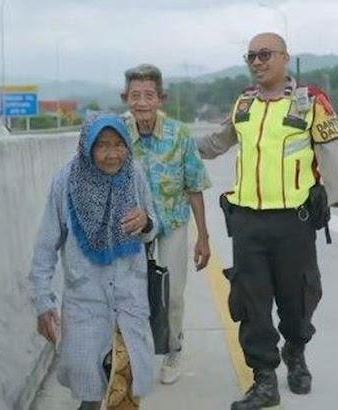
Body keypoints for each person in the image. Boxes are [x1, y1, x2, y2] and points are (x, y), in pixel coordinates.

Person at [196, 32, 338, 409]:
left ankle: (296, 353)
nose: (257, 62)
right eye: (250, 56)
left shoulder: (310, 103)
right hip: (248, 223)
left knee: (297, 298)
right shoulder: (244, 105)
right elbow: (215, 144)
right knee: (251, 302)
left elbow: (331, 153)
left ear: (286, 58)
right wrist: (172, 143)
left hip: (294, 223)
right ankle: (264, 380)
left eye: (265, 54)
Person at [28, 114, 158, 410]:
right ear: (87, 147)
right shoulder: (66, 182)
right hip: (86, 301)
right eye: (102, 146)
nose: (112, 154)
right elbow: (46, 246)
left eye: (118, 145)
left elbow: (154, 225)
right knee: (90, 388)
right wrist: (43, 301)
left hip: (129, 298)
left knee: (126, 386)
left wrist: (147, 221)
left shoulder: (134, 174)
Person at [120, 64, 212, 385]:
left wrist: (203, 237)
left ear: (161, 98)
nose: (141, 102)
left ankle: (174, 348)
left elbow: (195, 186)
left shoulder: (179, 135)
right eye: (135, 96)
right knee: (132, 293)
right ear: (125, 98)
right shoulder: (117, 134)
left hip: (172, 223)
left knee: (172, 292)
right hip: (133, 228)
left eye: (148, 95)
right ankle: (135, 352)